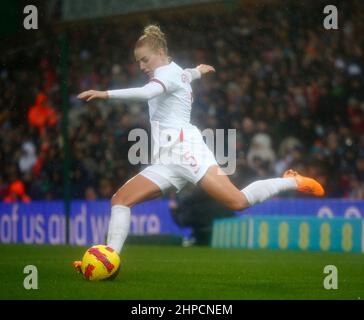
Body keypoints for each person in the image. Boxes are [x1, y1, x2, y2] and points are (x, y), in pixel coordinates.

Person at [73, 25, 324, 275]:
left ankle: (291, 182)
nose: (142, 66)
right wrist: (198, 71)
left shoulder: (166, 76)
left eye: (145, 60)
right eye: (139, 62)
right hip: (167, 160)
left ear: (160, 52)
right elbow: (186, 75)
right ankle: (109, 260)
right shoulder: (177, 71)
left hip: (187, 150)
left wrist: (104, 93)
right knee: (120, 200)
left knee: (237, 201)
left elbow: (145, 93)